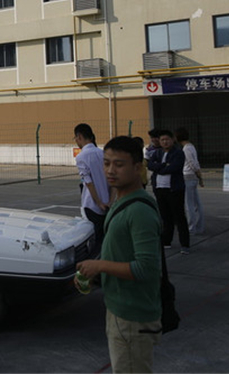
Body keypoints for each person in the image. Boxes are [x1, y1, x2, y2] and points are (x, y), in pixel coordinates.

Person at [76, 135, 162, 373]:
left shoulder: (139, 211)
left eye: (119, 164)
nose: (110, 170)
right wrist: (95, 274)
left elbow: (146, 268)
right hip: (118, 310)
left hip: (132, 317)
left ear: (137, 168)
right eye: (106, 163)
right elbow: (121, 254)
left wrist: (101, 266)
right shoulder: (121, 202)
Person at [148, 130, 190, 254]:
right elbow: (150, 165)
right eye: (162, 140)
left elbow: (174, 167)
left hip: (174, 189)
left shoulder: (178, 153)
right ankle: (166, 241)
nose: (165, 142)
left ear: (173, 140)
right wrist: (163, 166)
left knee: (179, 216)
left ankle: (185, 244)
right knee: (165, 216)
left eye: (167, 139)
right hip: (160, 188)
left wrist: (160, 167)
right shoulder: (157, 153)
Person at [74, 123, 110, 252]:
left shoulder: (81, 157)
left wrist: (98, 202)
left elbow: (88, 182)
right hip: (108, 201)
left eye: (76, 138)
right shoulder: (103, 153)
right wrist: (109, 200)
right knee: (105, 236)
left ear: (79, 137)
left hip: (92, 204)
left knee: (94, 239)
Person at [175, 127, 205, 235]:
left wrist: (198, 175)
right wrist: (199, 177)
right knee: (196, 203)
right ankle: (200, 226)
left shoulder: (186, 149)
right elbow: (196, 163)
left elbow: (192, 163)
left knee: (189, 204)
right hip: (193, 177)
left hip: (187, 176)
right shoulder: (191, 146)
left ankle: (191, 228)